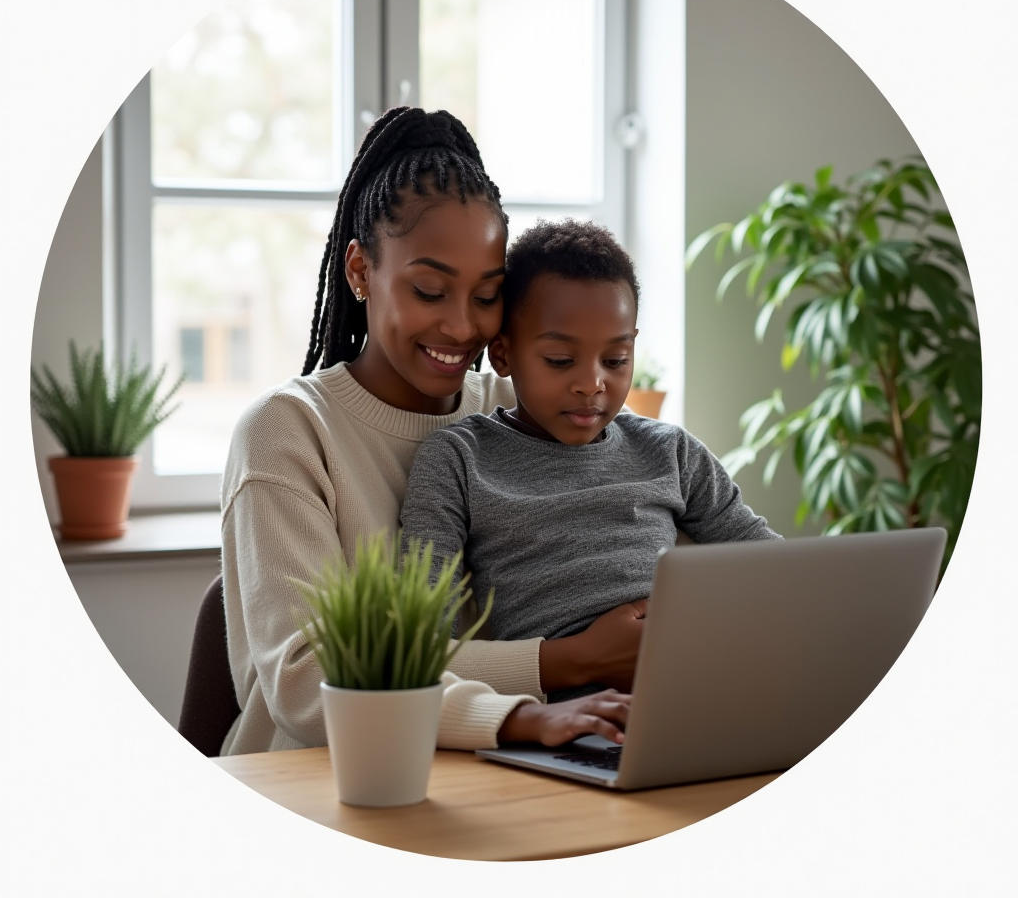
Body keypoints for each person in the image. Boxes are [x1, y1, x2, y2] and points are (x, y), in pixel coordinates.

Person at [220, 109, 643, 756]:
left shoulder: (520, 406)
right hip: (320, 782)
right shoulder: (288, 433)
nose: (461, 327)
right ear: (360, 271)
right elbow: (311, 683)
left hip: (498, 768)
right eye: (429, 289)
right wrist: (559, 670)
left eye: (486, 295)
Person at [399, 219, 781, 700]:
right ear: (503, 354)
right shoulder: (458, 460)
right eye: (560, 361)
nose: (592, 383)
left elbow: (774, 568)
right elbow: (425, 646)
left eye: (616, 360)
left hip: (709, 683)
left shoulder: (670, 451)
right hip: (572, 710)